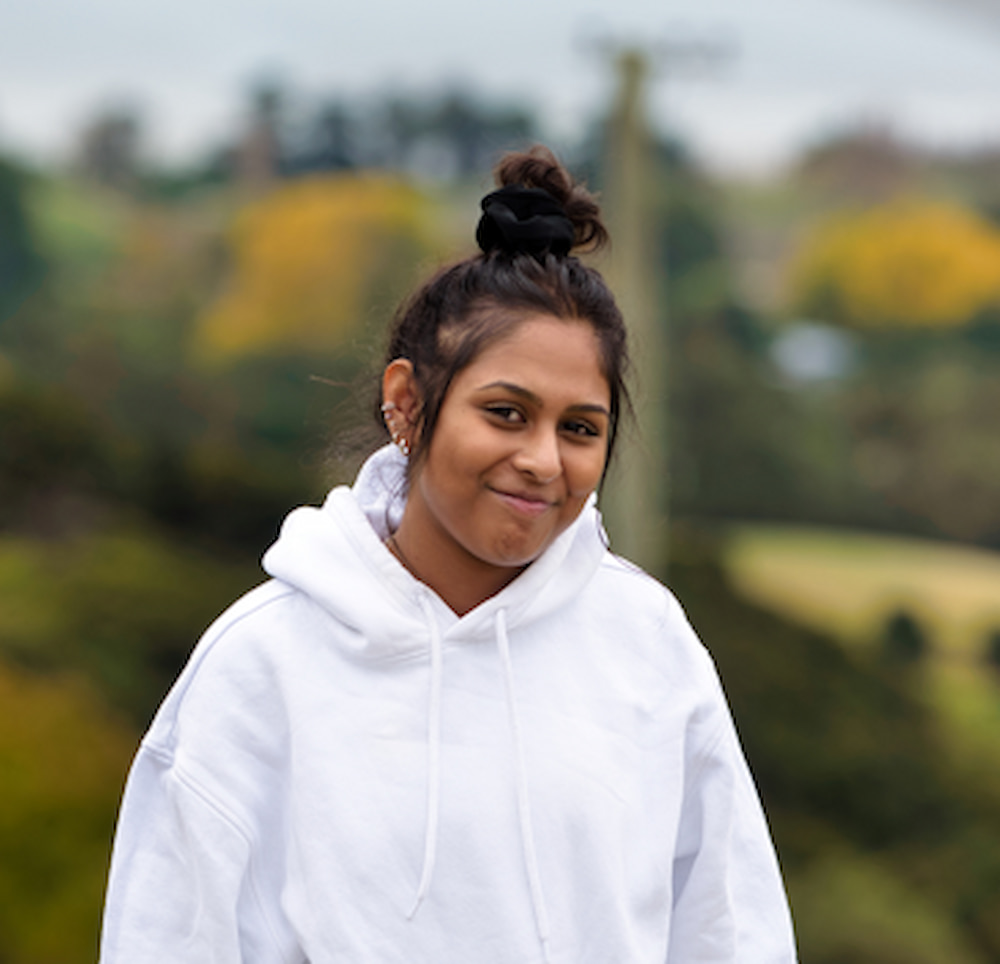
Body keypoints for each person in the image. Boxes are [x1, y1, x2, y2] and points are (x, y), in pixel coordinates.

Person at [100, 146, 797, 963]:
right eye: (506, 413)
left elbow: (731, 930)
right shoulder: (260, 664)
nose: (543, 458)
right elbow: (167, 935)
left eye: (580, 428)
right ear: (407, 403)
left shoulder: (649, 646)